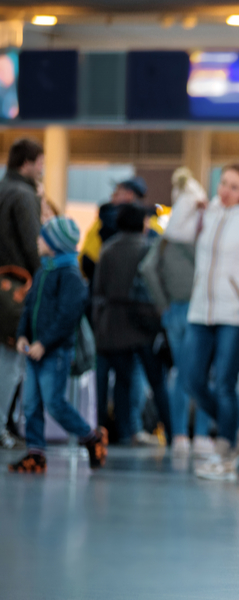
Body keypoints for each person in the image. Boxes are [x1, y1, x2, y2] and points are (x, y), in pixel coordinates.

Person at [171, 162, 239, 481]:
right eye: (223, 183)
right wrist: (189, 195)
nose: (226, 191)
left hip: (237, 315)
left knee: (224, 384)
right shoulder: (209, 213)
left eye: (235, 186)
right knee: (191, 378)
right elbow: (175, 230)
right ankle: (237, 433)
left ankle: (225, 455)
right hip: (200, 312)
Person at [8, 217, 109, 474]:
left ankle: (91, 436)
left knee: (54, 403)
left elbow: (68, 316)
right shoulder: (44, 270)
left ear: (55, 243)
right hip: (34, 350)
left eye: (43, 237)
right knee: (30, 404)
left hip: (56, 352)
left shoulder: (70, 276)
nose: (37, 240)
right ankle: (36, 453)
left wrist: (45, 342)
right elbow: (29, 307)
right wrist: (22, 335)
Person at [139, 167, 215, 456]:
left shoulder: (166, 238)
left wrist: (163, 302)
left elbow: (146, 268)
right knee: (203, 373)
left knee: (181, 374)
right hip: (201, 310)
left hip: (173, 310)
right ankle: (202, 435)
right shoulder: (203, 235)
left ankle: (180, 434)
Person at [91, 203, 173, 447]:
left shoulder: (107, 249)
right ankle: (172, 432)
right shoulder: (148, 248)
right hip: (144, 323)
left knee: (122, 383)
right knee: (157, 382)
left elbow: (98, 290)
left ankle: (124, 433)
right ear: (142, 223)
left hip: (113, 325)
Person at [0, 138, 43, 449]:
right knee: (11, 360)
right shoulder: (24, 195)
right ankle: (2, 426)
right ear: (27, 163)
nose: (42, 169)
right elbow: (32, 245)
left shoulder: (3, 189)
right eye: (40, 162)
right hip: (15, 287)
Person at [80, 175, 150, 281]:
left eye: (116, 193)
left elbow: (90, 257)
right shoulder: (150, 223)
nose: (112, 195)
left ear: (129, 195)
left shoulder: (106, 218)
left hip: (103, 283)